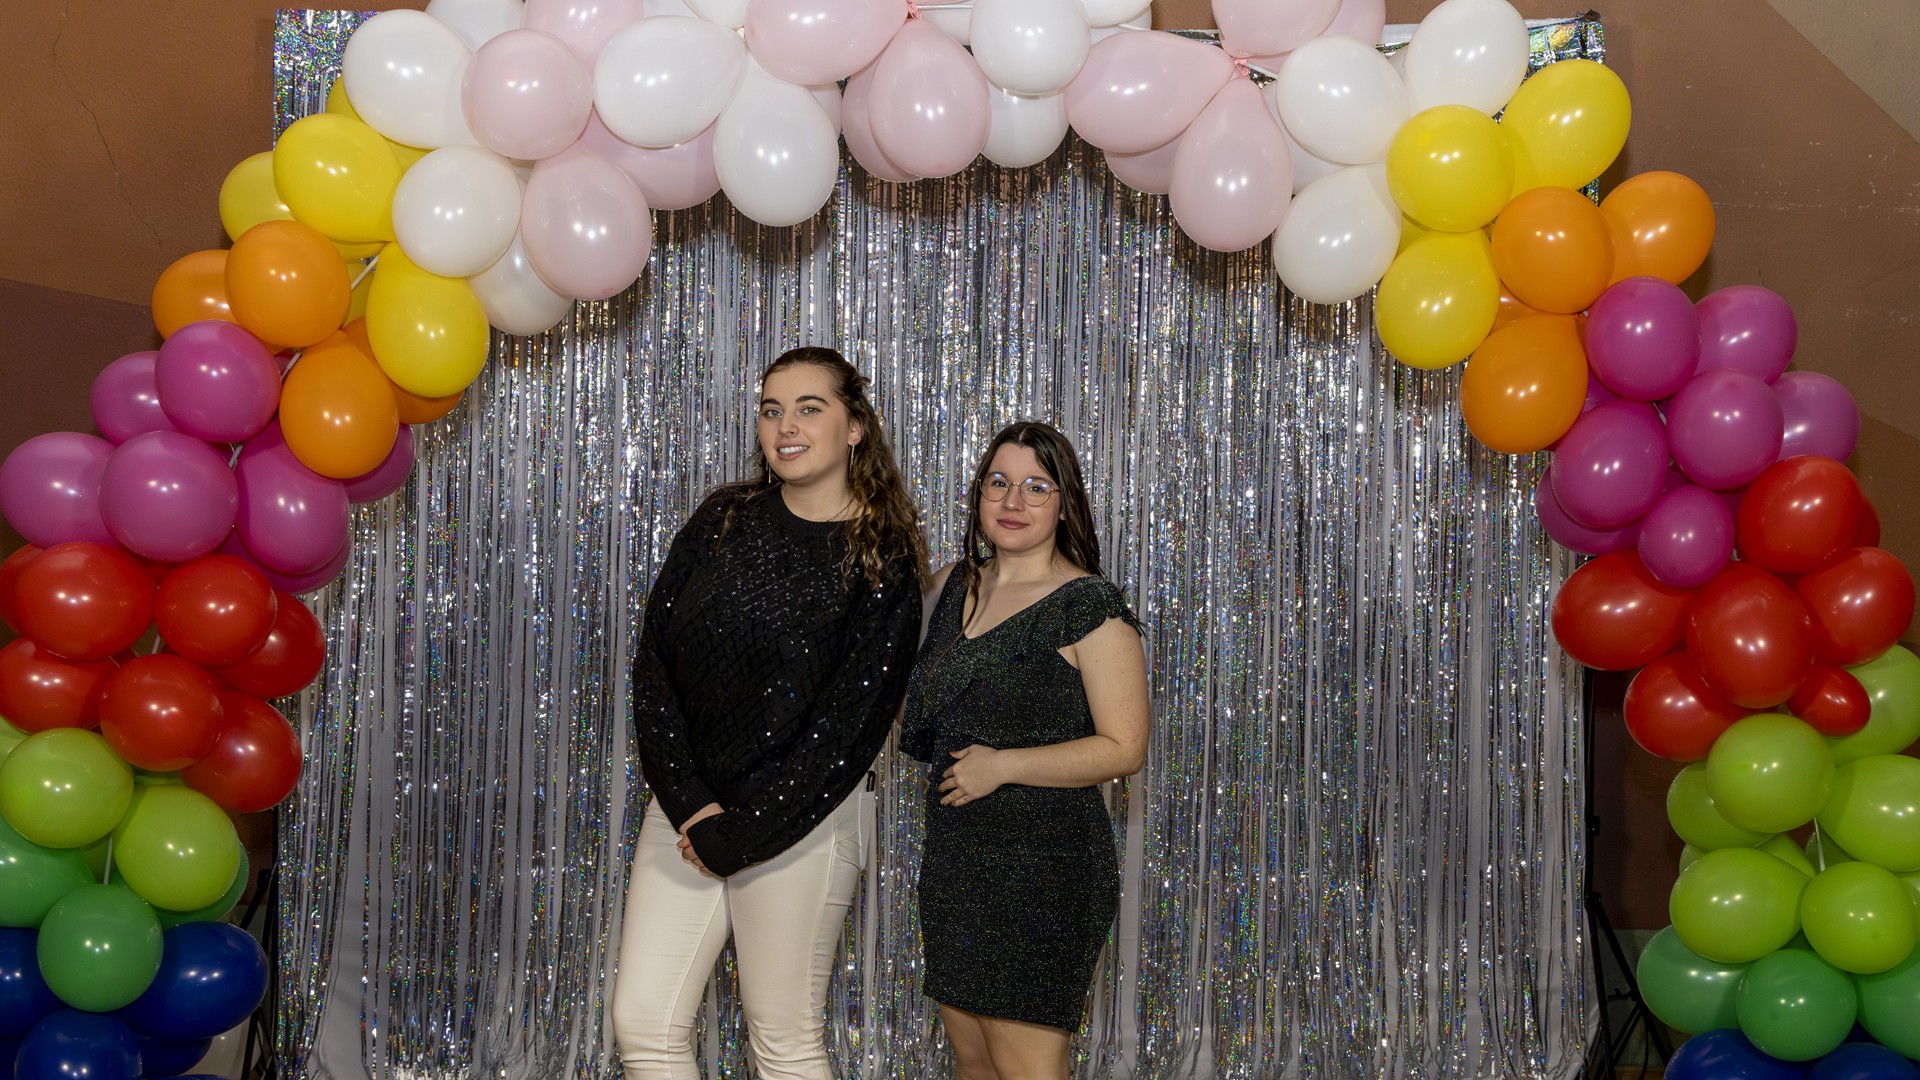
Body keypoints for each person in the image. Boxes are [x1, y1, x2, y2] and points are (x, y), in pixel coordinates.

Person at [612, 346, 927, 1080]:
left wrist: (745, 832)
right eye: (771, 410)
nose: (786, 427)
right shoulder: (723, 519)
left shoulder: (881, 559)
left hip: (802, 819)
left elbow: (850, 727)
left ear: (855, 427)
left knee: (781, 1041)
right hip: (688, 812)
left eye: (809, 409)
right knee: (645, 1023)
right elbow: (655, 663)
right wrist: (692, 805)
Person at [901, 421, 1151, 1079]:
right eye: (999, 483)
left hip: (1045, 869)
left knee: (1028, 1067)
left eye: (1037, 487)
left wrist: (1004, 765)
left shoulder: (1089, 607)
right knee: (975, 1062)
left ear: (1065, 505)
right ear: (979, 494)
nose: (1014, 502)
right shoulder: (953, 586)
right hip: (957, 862)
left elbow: (1125, 748)